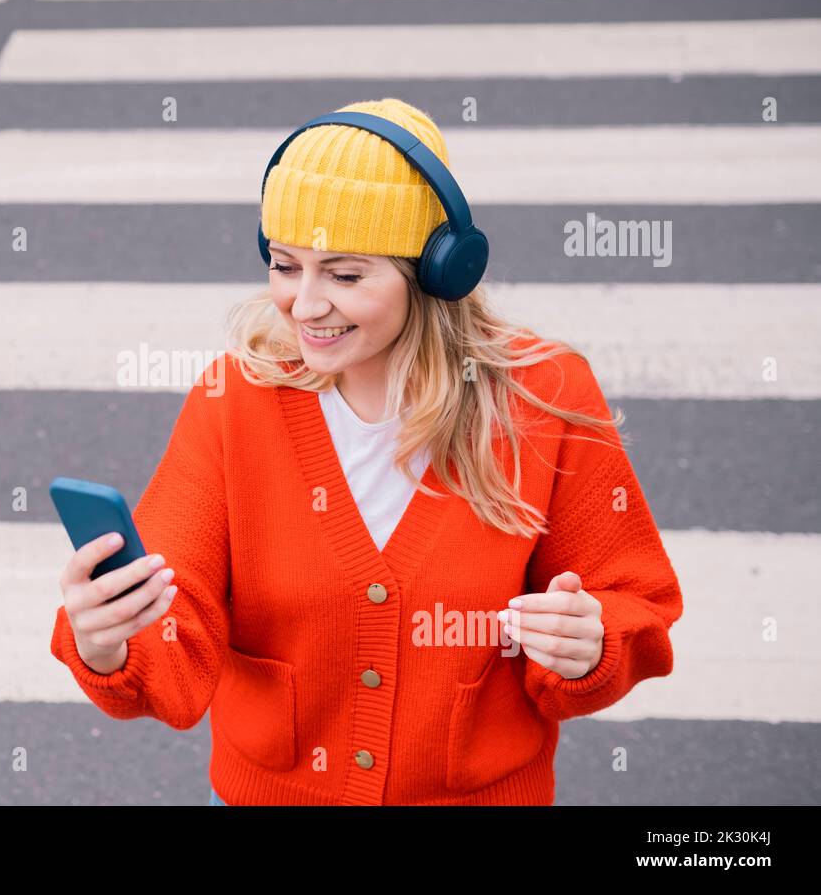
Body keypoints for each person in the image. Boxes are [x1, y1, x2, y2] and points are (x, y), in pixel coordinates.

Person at [49, 97, 683, 806]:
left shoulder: (542, 395)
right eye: (285, 266)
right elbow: (175, 620)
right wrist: (107, 642)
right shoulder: (235, 399)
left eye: (345, 276)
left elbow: (636, 603)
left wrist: (593, 644)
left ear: (437, 272)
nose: (305, 305)